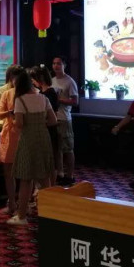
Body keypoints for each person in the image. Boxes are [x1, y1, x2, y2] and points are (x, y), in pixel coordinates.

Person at [8, 69, 56, 225]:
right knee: (45, 179)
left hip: (28, 140)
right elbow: (53, 120)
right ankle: (50, 214)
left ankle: (21, 216)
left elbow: (20, 123)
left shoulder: (20, 100)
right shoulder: (43, 98)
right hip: (43, 138)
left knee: (26, 179)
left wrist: (13, 119)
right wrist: (40, 124)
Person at [0, 66, 23, 215]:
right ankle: (15, 202)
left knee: (17, 171)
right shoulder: (7, 93)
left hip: (18, 134)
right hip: (14, 135)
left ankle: (19, 203)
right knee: (13, 171)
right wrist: (10, 112)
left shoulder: (30, 93)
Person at [31, 65, 60, 186]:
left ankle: (50, 189)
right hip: (48, 130)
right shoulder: (45, 93)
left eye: (33, 79)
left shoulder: (48, 94)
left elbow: (53, 117)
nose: (32, 82)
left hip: (49, 131)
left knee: (50, 161)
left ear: (40, 78)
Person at [51, 56, 79, 185]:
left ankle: (70, 175)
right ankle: (60, 173)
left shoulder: (69, 81)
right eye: (54, 63)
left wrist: (60, 100)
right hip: (54, 118)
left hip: (65, 118)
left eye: (59, 63)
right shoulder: (52, 81)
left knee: (68, 148)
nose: (56, 66)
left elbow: (75, 101)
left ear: (64, 65)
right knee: (57, 149)